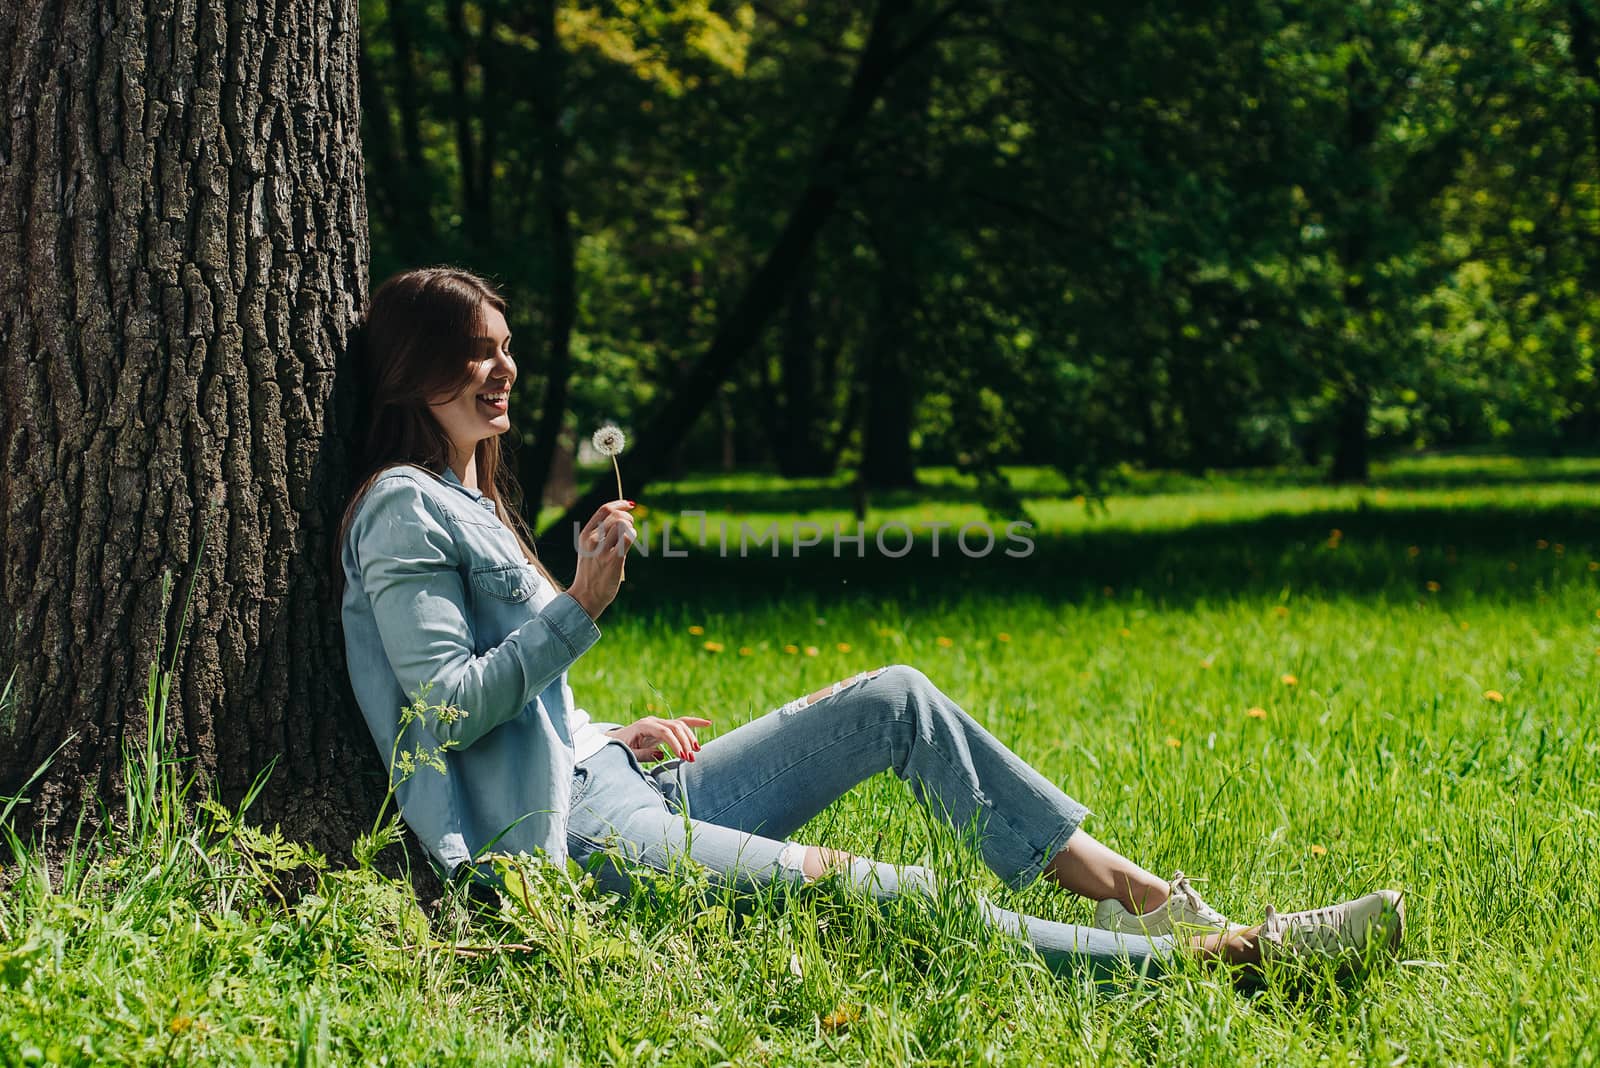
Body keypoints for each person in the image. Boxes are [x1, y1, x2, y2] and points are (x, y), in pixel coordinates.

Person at [337, 267, 1405, 981]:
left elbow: (524, 697)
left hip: (610, 778)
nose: (504, 369)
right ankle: (1224, 963)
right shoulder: (402, 508)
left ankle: (1143, 898)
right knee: (886, 888)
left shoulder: (476, 500)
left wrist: (609, 727)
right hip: (575, 838)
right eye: (477, 354)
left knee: (893, 696)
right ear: (413, 369)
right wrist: (579, 608)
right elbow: (443, 712)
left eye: (507, 347)